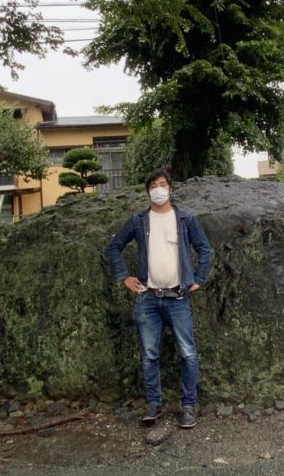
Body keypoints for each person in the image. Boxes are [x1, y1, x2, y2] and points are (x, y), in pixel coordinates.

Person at [106, 168, 212, 428]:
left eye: (163, 184)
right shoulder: (138, 221)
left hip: (178, 297)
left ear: (171, 189)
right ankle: (153, 404)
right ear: (147, 192)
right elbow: (114, 247)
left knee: (188, 354)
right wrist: (124, 277)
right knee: (148, 356)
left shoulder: (185, 219)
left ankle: (189, 406)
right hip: (148, 299)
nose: (159, 190)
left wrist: (198, 278)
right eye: (153, 186)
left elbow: (204, 249)